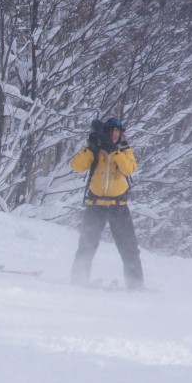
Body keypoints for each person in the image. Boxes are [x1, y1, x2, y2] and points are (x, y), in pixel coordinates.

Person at [70, 117, 144, 290]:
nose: (115, 135)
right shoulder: (96, 150)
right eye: (112, 131)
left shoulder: (124, 150)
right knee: (86, 245)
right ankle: (78, 281)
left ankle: (136, 285)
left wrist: (115, 152)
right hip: (95, 204)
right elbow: (76, 166)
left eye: (118, 132)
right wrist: (91, 147)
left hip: (118, 206)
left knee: (129, 248)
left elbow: (129, 169)